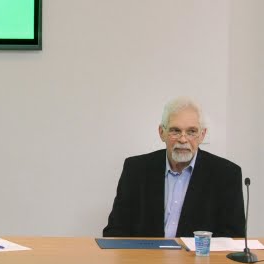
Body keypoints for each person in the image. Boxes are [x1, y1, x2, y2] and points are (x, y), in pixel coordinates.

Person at [103, 97, 245, 238]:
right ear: (161, 133)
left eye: (191, 132)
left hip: (197, 253)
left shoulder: (226, 174)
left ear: (202, 135)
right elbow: (115, 230)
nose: (183, 139)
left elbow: (234, 237)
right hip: (146, 253)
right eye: (175, 131)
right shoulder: (136, 169)